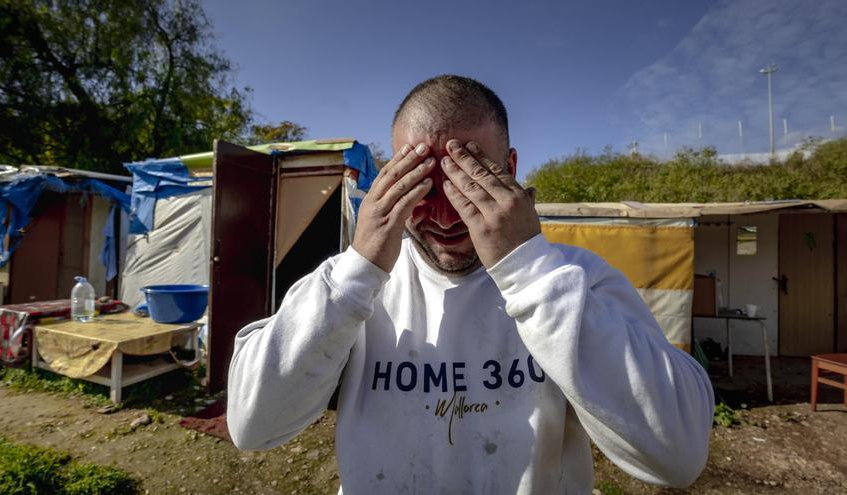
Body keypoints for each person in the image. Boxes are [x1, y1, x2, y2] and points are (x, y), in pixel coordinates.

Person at [227, 75, 714, 493]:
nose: (442, 216)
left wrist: (528, 271)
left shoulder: (572, 279)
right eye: (419, 184)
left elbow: (677, 455)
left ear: (510, 170)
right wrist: (358, 266)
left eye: (467, 182)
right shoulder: (355, 286)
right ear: (389, 178)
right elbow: (252, 425)